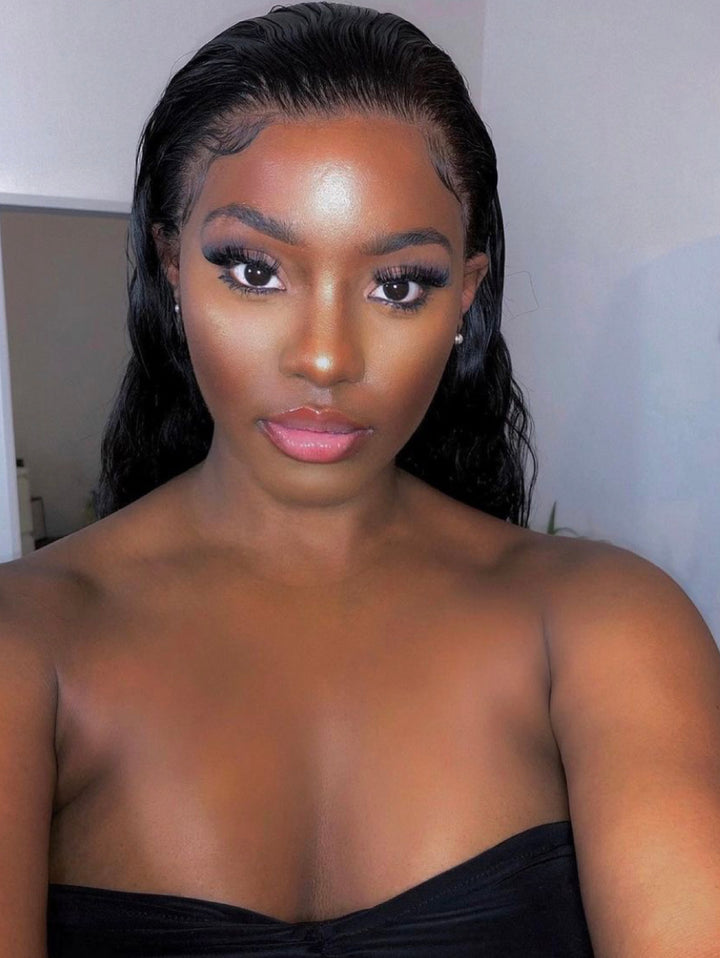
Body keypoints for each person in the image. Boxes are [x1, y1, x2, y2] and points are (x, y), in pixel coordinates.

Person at [1, 3, 719, 955]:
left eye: (398, 285)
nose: (326, 358)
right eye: (254, 271)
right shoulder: (26, 644)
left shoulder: (606, 626)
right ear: (171, 267)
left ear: (465, 299)